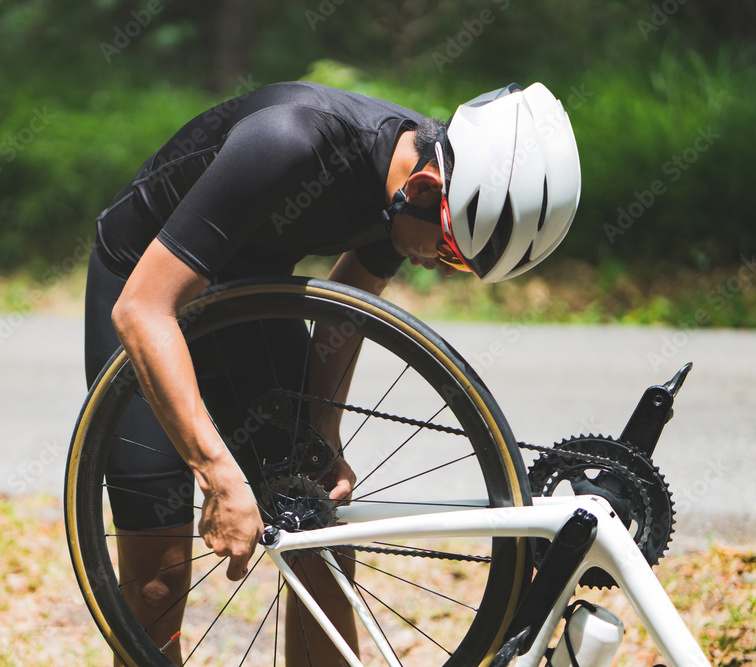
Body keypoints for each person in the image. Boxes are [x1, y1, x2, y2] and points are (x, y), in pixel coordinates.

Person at [85, 80, 581, 665]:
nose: (446, 272)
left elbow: (350, 297)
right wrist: (218, 473)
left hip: (248, 297)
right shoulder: (292, 141)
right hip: (144, 282)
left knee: (317, 535)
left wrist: (319, 437)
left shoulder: (420, 183)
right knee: (159, 575)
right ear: (424, 188)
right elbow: (141, 310)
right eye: (450, 251)